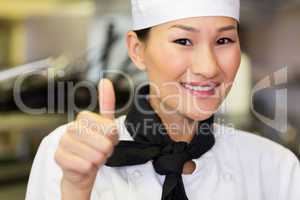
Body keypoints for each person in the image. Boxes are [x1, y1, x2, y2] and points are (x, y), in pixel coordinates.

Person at [25, 0, 300, 200]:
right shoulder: (67, 154)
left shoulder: (277, 168)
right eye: (183, 41)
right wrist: (76, 189)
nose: (209, 67)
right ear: (137, 50)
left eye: (224, 40)